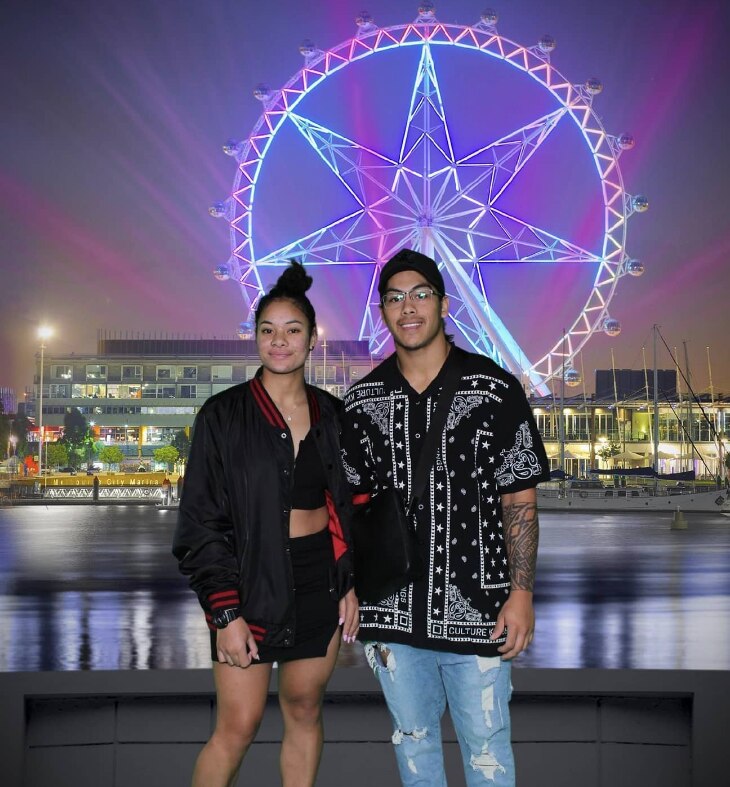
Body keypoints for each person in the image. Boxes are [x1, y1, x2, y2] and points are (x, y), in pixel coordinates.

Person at [341, 249, 551, 787]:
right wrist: (345, 586)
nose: (407, 308)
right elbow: (345, 510)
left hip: (480, 605)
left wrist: (521, 592)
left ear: (444, 303)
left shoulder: (495, 390)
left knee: (488, 755)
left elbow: (519, 501)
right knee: (413, 752)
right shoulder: (361, 402)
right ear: (382, 312)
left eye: (420, 295)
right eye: (393, 298)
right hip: (389, 610)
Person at [173, 261, 359, 787]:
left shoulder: (333, 415)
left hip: (317, 581)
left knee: (303, 709)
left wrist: (348, 581)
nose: (279, 342)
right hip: (248, 585)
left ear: (312, 339)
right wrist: (223, 610)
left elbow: (350, 509)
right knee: (238, 724)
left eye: (292, 330)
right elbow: (200, 523)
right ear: (255, 337)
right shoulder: (221, 416)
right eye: (267, 331)